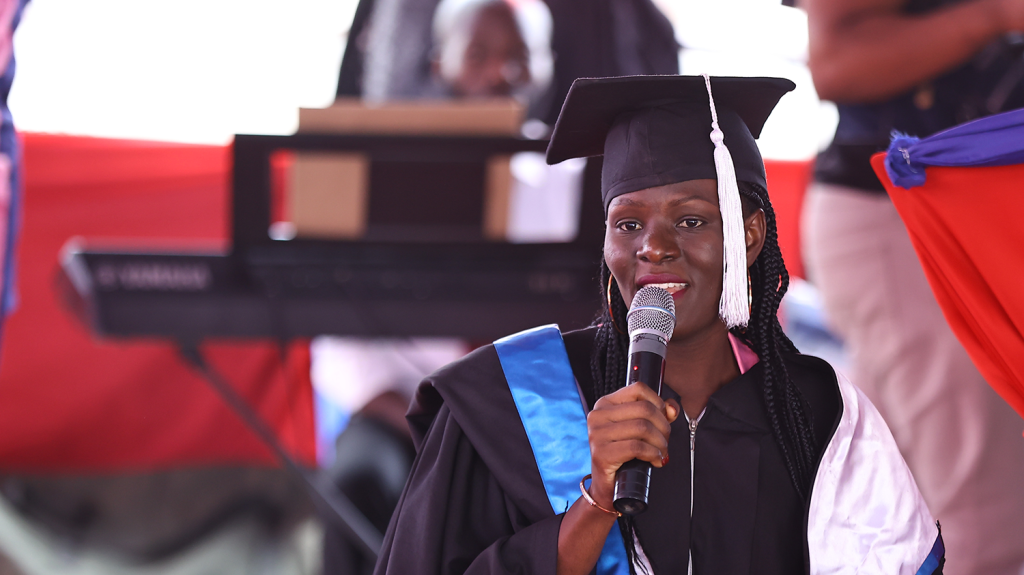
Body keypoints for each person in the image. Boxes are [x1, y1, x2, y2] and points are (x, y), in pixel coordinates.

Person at [373, 75, 944, 575]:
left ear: (749, 237)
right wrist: (596, 501)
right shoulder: (507, 403)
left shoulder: (822, 419)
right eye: (627, 225)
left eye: (690, 219)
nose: (654, 248)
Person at [802, 2, 1024, 573]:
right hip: (908, 219)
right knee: (982, 519)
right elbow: (834, 65)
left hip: (943, 218)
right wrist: (994, 15)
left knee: (897, 512)